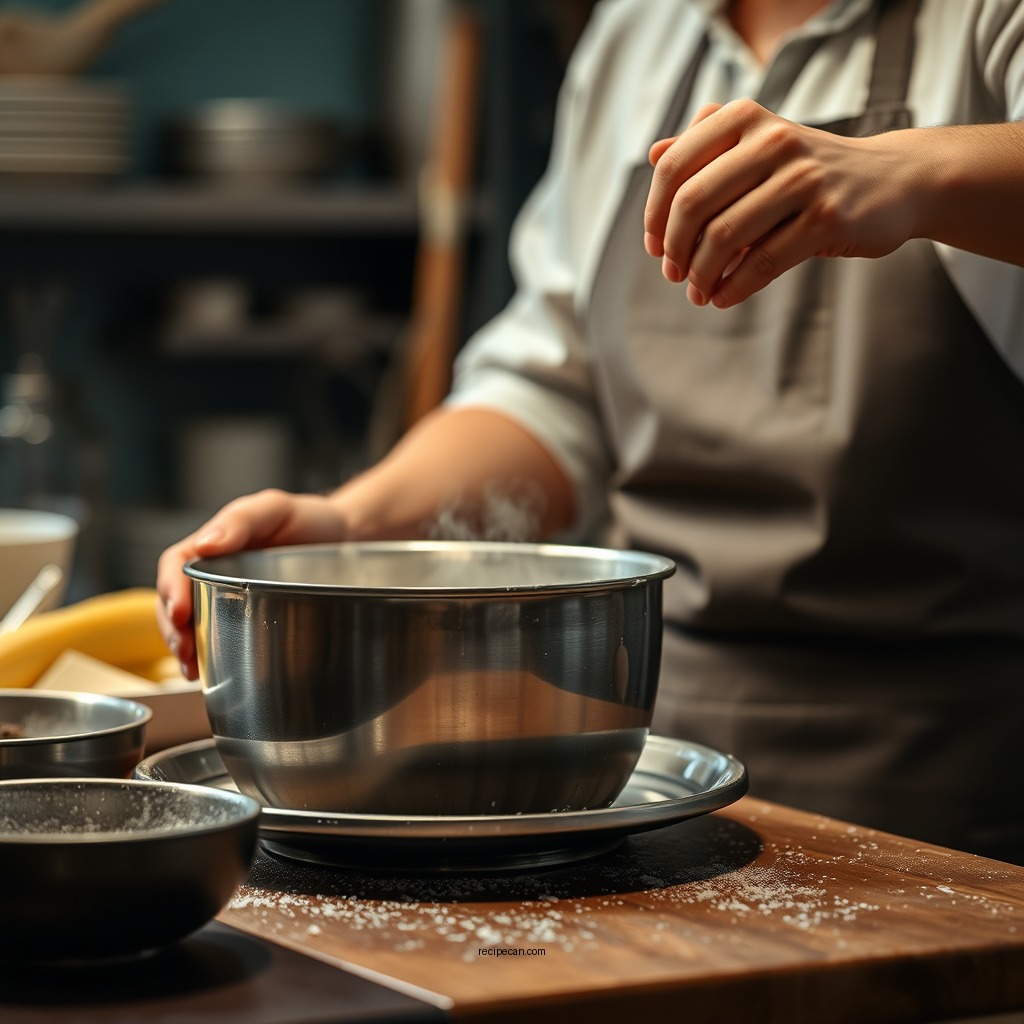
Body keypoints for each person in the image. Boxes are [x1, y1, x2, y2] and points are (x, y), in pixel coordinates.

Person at [158, 0, 1024, 863]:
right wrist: (354, 528)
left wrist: (917, 174)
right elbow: (557, 391)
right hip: (645, 767)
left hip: (949, 784)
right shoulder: (640, 31)